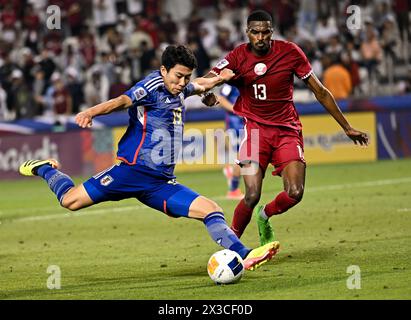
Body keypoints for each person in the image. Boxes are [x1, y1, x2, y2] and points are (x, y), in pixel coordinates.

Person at [18, 45, 279, 271]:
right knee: (69, 201)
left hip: (161, 183)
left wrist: (221, 79)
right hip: (130, 172)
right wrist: (91, 112)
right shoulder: (151, 86)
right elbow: (122, 101)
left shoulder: (181, 88)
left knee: (211, 209)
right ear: (164, 70)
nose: (181, 83)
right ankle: (44, 168)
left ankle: (244, 255)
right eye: (178, 76)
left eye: (186, 77)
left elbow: (202, 84)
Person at [201, 10, 369, 245]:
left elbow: (320, 91)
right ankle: (230, 248)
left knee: (295, 193)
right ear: (247, 32)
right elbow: (205, 79)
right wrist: (209, 90)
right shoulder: (237, 56)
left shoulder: (290, 52)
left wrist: (347, 127)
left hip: (286, 131)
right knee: (251, 194)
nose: (260, 37)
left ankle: (265, 215)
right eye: (255, 32)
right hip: (255, 133)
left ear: (272, 31)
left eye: (265, 32)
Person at [217, 83, 244, 200]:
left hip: (246, 123)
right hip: (236, 124)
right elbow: (221, 99)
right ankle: (233, 189)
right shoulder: (231, 84)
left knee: (245, 156)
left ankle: (232, 172)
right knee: (243, 156)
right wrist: (236, 110)